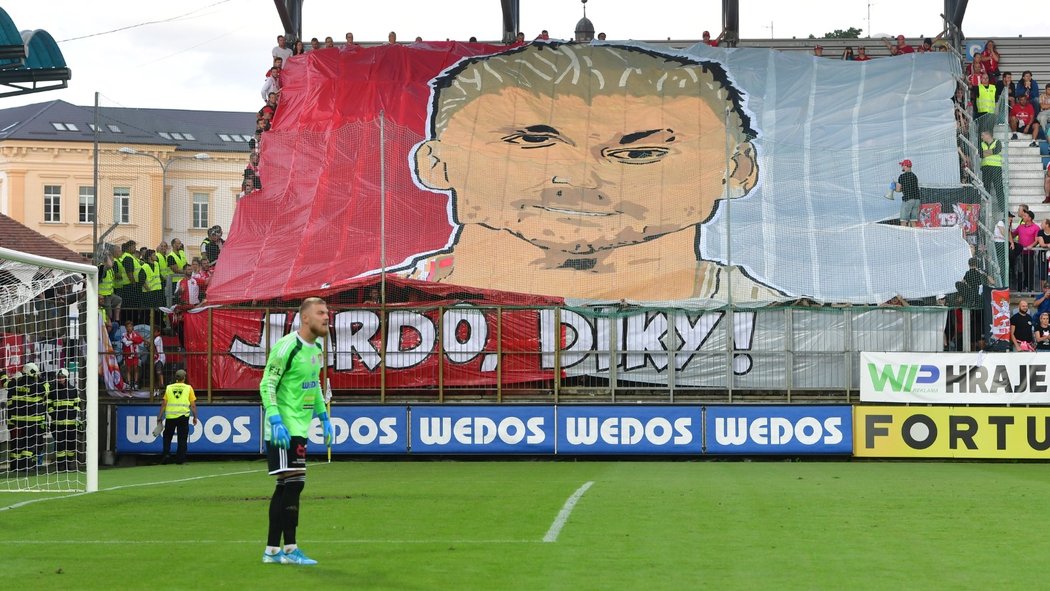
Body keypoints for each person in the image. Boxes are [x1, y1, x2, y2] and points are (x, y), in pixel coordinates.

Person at [408, 42, 783, 303]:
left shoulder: (796, 333)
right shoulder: (365, 312)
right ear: (435, 164)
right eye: (532, 141)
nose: (581, 179)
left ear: (737, 170)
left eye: (640, 152)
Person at [259, 297, 332, 565]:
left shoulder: (318, 349)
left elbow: (313, 385)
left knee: (287, 486)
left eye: (327, 312)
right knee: (294, 483)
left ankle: (274, 550)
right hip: (284, 428)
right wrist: (275, 419)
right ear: (305, 318)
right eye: (321, 312)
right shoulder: (287, 346)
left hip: (300, 427)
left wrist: (323, 417)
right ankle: (288, 549)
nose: (327, 317)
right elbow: (267, 383)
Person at [6, 362, 49, 471]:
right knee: (30, 443)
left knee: (17, 443)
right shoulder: (37, 386)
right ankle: (26, 465)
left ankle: (15, 466)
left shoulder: (15, 384)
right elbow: (46, 390)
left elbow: (6, 384)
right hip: (32, 420)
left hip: (17, 420)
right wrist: (42, 380)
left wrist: (5, 375)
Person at [157, 369, 198, 465]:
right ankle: (180, 459)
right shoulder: (188, 388)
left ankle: (166, 455)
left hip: (170, 416)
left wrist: (160, 416)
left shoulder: (169, 388)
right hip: (183, 416)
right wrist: (195, 416)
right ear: (184, 378)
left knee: (167, 437)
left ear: (176, 378)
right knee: (182, 438)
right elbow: (192, 405)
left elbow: (164, 404)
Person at [48, 368, 80, 471]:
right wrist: (54, 414)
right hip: (57, 424)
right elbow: (49, 405)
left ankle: (70, 463)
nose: (60, 379)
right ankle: (61, 465)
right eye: (59, 377)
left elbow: (77, 405)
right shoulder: (52, 390)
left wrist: (74, 414)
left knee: (71, 444)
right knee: (60, 445)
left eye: (62, 377)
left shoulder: (73, 390)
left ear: (66, 378)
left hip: (70, 423)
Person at [892, 159, 921, 228]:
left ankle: (903, 236)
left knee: (903, 221)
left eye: (902, 165)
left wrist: (893, 187)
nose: (902, 167)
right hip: (917, 200)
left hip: (908, 200)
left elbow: (898, 190)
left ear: (906, 166)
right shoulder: (914, 176)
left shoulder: (902, 176)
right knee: (913, 221)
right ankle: (915, 235)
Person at [979, 130, 1004, 202]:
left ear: (987, 135)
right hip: (985, 168)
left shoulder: (997, 142)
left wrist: (985, 153)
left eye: (982, 135)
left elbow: (997, 150)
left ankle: (1003, 209)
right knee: (986, 187)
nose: (981, 137)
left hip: (996, 167)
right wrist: (991, 151)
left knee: (999, 188)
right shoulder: (982, 144)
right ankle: (986, 207)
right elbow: (980, 154)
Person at [121, 320, 144, 390]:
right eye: (127, 327)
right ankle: (128, 383)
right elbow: (126, 343)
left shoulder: (135, 334)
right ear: (125, 327)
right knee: (128, 369)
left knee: (136, 368)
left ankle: (136, 383)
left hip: (135, 353)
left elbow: (140, 340)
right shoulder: (123, 335)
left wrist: (131, 340)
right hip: (127, 354)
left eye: (130, 326)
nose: (129, 328)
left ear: (132, 327)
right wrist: (134, 340)